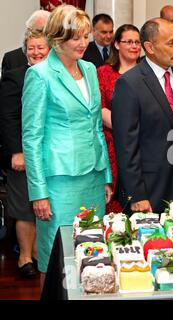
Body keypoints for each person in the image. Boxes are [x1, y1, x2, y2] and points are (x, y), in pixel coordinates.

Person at [21, 5, 112, 286]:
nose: (84, 43)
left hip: (93, 175)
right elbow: (32, 137)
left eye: (86, 36)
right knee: (57, 256)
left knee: (92, 252)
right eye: (76, 37)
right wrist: (38, 192)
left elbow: (96, 126)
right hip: (58, 182)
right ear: (57, 39)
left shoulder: (89, 69)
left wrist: (106, 175)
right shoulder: (40, 75)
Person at [112, 18, 173, 214]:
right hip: (149, 190)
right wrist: (137, 194)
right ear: (150, 47)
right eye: (171, 43)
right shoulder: (129, 84)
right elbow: (126, 146)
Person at [0, 30, 50, 278]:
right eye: (31, 48)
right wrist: (16, 152)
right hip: (22, 157)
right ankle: (24, 257)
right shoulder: (15, 77)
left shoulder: (54, 76)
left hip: (49, 156)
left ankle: (41, 255)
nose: (36, 52)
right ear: (25, 51)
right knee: (25, 208)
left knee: (45, 206)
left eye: (40, 47)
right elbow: (7, 119)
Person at [97, 24, 141, 214]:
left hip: (144, 144)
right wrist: (126, 126)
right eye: (128, 42)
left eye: (137, 42)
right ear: (116, 44)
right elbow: (98, 107)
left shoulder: (147, 72)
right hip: (113, 144)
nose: (134, 46)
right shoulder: (103, 72)